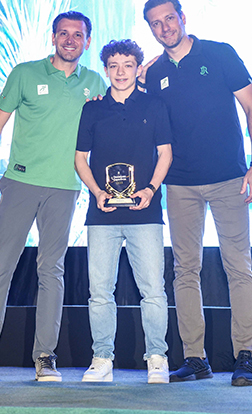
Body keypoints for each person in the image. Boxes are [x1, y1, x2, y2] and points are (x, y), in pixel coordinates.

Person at [0, 11, 107, 383]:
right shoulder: (25, 73)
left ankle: (45, 357)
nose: (70, 40)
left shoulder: (95, 82)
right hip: (20, 183)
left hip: (65, 188)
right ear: (53, 37)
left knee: (51, 271)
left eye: (78, 35)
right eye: (63, 33)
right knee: (0, 268)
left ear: (87, 41)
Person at [141, 0, 252, 387]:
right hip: (180, 185)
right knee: (185, 271)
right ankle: (195, 359)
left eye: (169, 18)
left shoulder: (219, 53)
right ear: (150, 29)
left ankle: (245, 357)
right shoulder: (154, 73)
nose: (164, 28)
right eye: (156, 23)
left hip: (229, 179)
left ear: (182, 17)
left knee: (238, 267)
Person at [74, 39, 173, 384]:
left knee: (153, 290)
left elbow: (165, 154)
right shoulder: (92, 110)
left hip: (145, 212)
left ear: (138, 68)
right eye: (114, 66)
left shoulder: (154, 105)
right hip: (102, 214)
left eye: (128, 65)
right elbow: (80, 159)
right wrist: (97, 192)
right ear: (105, 70)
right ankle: (102, 359)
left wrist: (150, 189)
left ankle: (157, 358)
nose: (120, 72)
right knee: (100, 292)